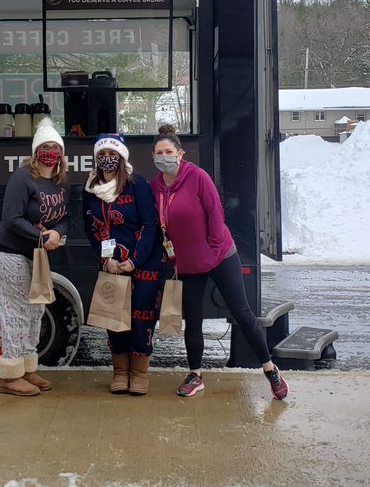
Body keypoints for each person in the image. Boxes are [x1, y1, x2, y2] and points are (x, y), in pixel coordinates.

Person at [150, 124, 289, 400]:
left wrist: (212, 254)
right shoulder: (155, 187)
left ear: (180, 154)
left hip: (219, 256)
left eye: (169, 151)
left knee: (242, 313)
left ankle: (270, 369)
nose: (164, 156)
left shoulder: (197, 177)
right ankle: (195, 375)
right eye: (158, 153)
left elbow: (216, 217)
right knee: (193, 320)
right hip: (187, 263)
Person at [0, 117, 69, 396]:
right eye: (45, 148)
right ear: (36, 152)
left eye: (55, 148)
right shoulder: (22, 177)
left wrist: (58, 233)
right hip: (10, 252)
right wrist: (43, 238)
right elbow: (10, 219)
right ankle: (10, 374)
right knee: (16, 311)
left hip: (37, 255)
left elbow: (64, 218)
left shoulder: (59, 181)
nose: (51, 153)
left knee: (36, 309)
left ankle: (27, 368)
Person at [82, 133, 162, 395]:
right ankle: (119, 372)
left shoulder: (137, 185)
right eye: (102, 155)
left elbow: (151, 225)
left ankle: (139, 373)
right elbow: (90, 228)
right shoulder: (90, 188)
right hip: (111, 265)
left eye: (113, 155)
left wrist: (134, 260)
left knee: (141, 319)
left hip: (143, 264)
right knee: (114, 319)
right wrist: (106, 260)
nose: (107, 159)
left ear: (122, 157)